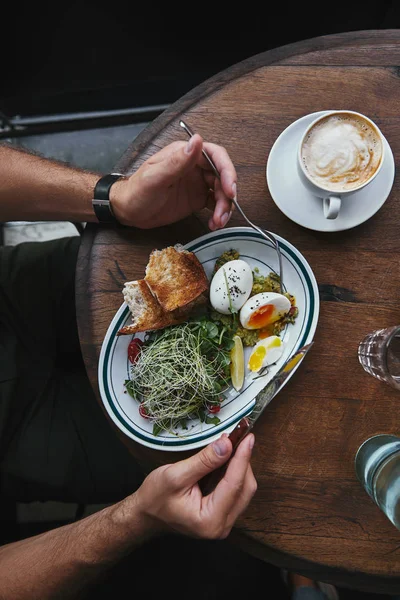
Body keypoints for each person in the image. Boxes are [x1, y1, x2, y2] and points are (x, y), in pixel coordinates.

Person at [0, 135, 259, 598]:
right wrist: (135, 516)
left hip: (11, 294)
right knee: (202, 448)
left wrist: (112, 198)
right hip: (16, 436)